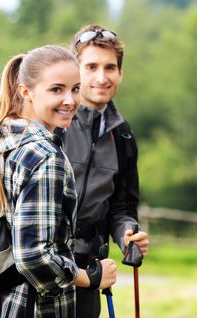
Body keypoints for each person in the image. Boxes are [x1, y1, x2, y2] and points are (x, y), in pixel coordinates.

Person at [0, 45, 117, 317]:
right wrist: (90, 277)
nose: (70, 100)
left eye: (76, 89)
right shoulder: (44, 157)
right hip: (28, 308)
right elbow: (34, 258)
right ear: (25, 91)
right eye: (56, 90)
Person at [62, 24, 149, 318]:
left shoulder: (123, 137)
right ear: (76, 71)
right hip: (44, 265)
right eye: (92, 66)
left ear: (120, 73)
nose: (102, 77)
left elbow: (122, 207)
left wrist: (127, 234)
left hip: (91, 270)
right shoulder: (53, 125)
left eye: (110, 67)